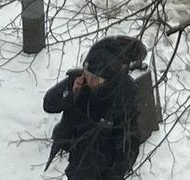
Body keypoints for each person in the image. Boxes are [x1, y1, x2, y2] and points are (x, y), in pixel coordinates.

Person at [44, 40, 140, 180]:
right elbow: (49, 104)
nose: (88, 80)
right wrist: (71, 92)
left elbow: (128, 145)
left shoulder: (123, 96)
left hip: (104, 164)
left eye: (94, 78)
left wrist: (114, 175)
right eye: (86, 74)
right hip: (78, 157)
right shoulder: (80, 81)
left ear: (107, 80)